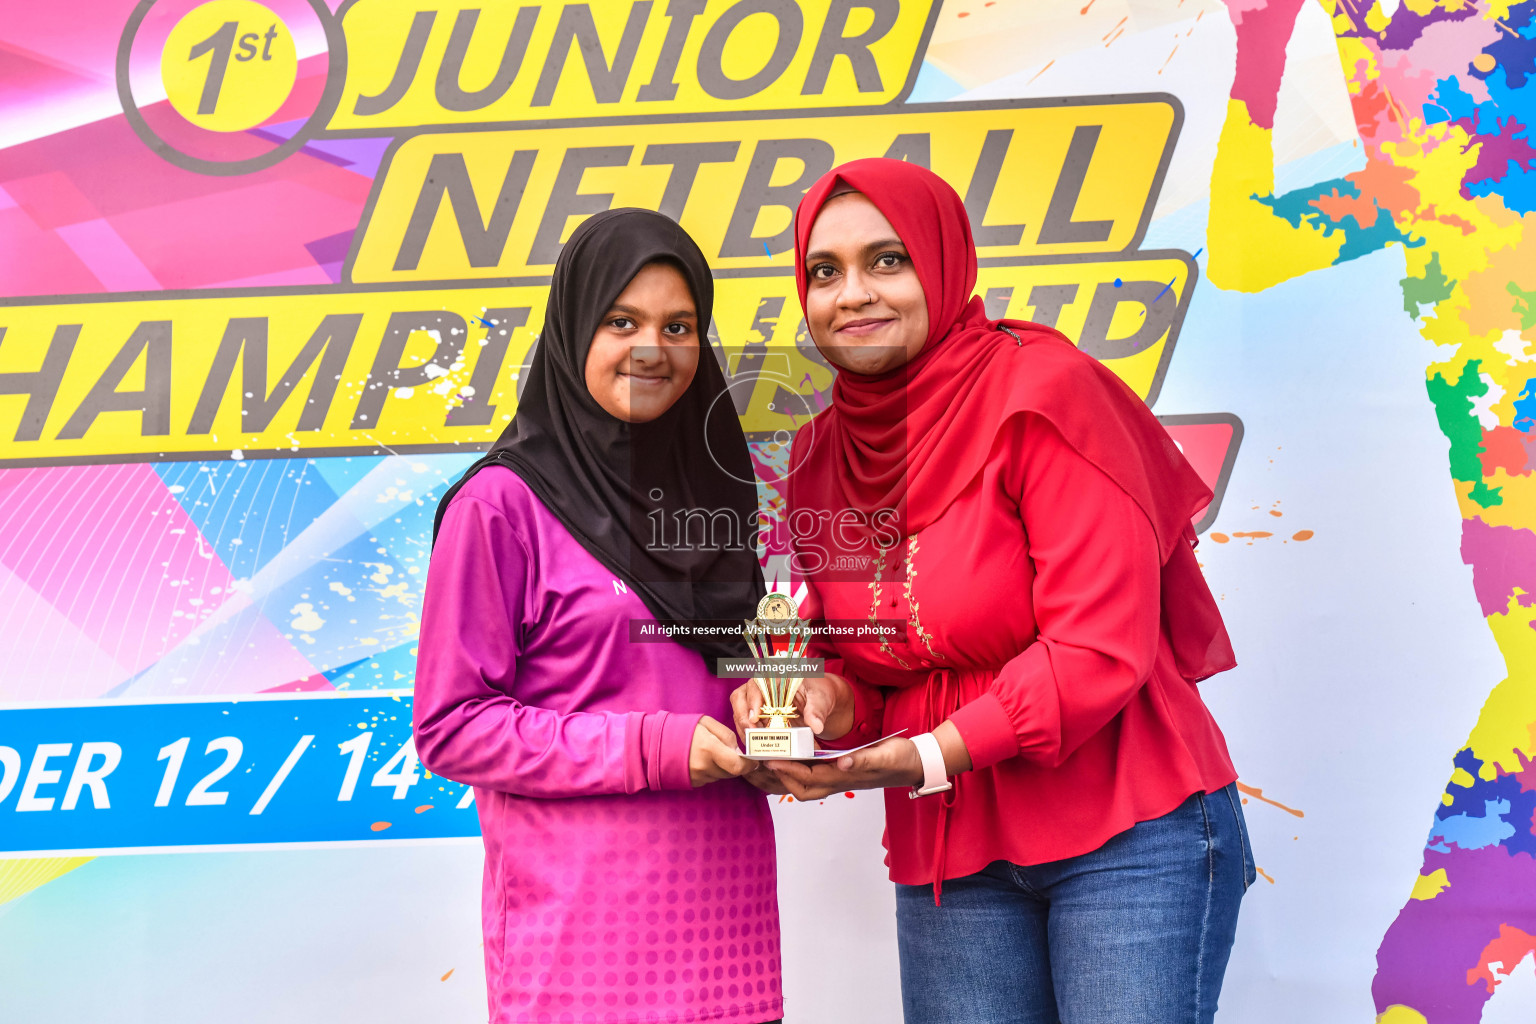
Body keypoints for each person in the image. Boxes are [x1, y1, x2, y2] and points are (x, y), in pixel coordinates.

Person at [732, 159, 1254, 1023]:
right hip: (952, 852)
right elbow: (874, 667)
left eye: (886, 261)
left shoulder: (1044, 395)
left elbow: (1097, 648)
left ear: (942, 263)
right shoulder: (823, 454)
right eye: (824, 271)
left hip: (1129, 833)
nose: (852, 293)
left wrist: (925, 755)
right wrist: (814, 703)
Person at [415, 208, 783, 1024]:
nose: (653, 348)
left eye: (678, 326)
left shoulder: (716, 491)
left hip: (727, 933)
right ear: (576, 325)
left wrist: (770, 701)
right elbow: (452, 727)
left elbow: (743, 648)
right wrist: (653, 744)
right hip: (583, 947)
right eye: (624, 321)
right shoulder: (500, 507)